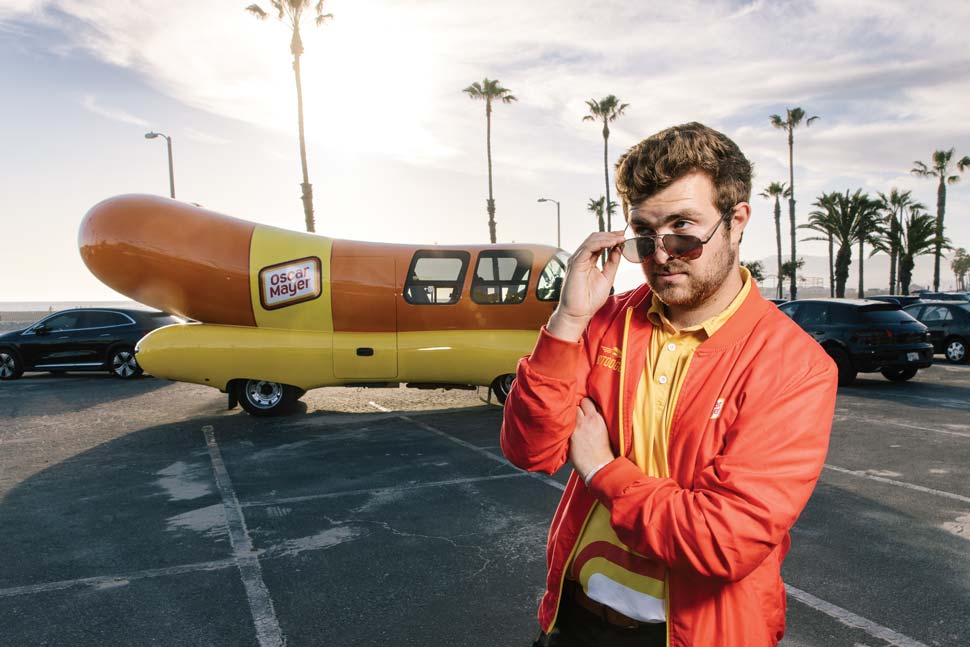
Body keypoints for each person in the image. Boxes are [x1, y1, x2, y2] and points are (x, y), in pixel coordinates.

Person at [501, 122, 838, 647]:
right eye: (644, 234)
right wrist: (567, 319)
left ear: (737, 220)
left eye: (683, 229)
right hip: (575, 621)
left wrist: (604, 471)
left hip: (703, 633)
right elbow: (530, 450)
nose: (662, 253)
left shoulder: (794, 365)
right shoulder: (604, 321)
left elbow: (724, 541)